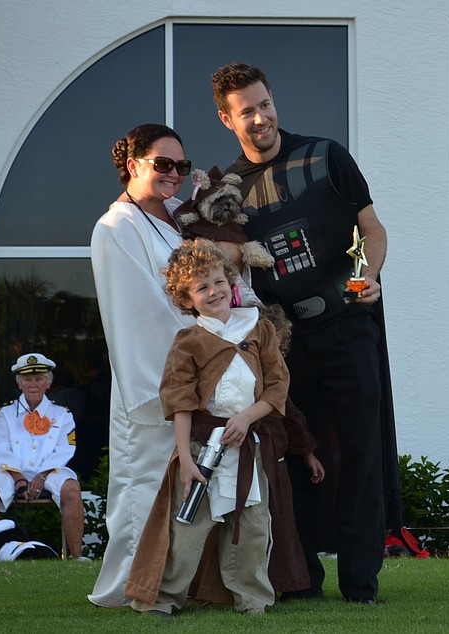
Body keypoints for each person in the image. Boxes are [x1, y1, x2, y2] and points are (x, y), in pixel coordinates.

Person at [211, 61, 399, 604]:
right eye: (246, 111)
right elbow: (221, 258)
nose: (261, 117)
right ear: (228, 119)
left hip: (348, 325)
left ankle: (361, 583)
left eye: (265, 104)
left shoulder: (326, 154)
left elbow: (372, 229)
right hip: (283, 342)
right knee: (293, 452)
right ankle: (302, 577)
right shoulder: (228, 191)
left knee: (363, 450)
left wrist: (368, 276)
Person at [124, 239, 322, 616]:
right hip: (203, 446)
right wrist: (185, 459)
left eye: (217, 281)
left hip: (250, 446)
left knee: (252, 527)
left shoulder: (259, 329)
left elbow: (278, 386)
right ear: (186, 298)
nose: (213, 291)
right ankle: (164, 598)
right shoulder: (188, 342)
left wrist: (247, 419)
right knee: (188, 527)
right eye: (201, 287)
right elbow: (180, 402)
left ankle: (252, 599)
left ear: (230, 281)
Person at [88, 124, 198, 606]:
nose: (173, 175)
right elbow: (138, 310)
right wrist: (195, 356)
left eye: (181, 166)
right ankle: (134, 587)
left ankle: (179, 584)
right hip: (153, 378)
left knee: (183, 490)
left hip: (192, 370)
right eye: (163, 164)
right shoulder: (115, 227)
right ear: (133, 165)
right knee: (145, 488)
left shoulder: (178, 217)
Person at [0, 353, 86, 559]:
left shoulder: (62, 414)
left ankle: (77, 558)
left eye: (39, 379)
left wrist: (42, 475)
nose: (33, 384)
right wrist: (18, 479)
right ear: (20, 384)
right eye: (27, 379)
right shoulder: (5, 413)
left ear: (48, 383)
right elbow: (0, 448)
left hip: (50, 470)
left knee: (71, 489)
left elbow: (65, 449)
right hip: (12, 471)